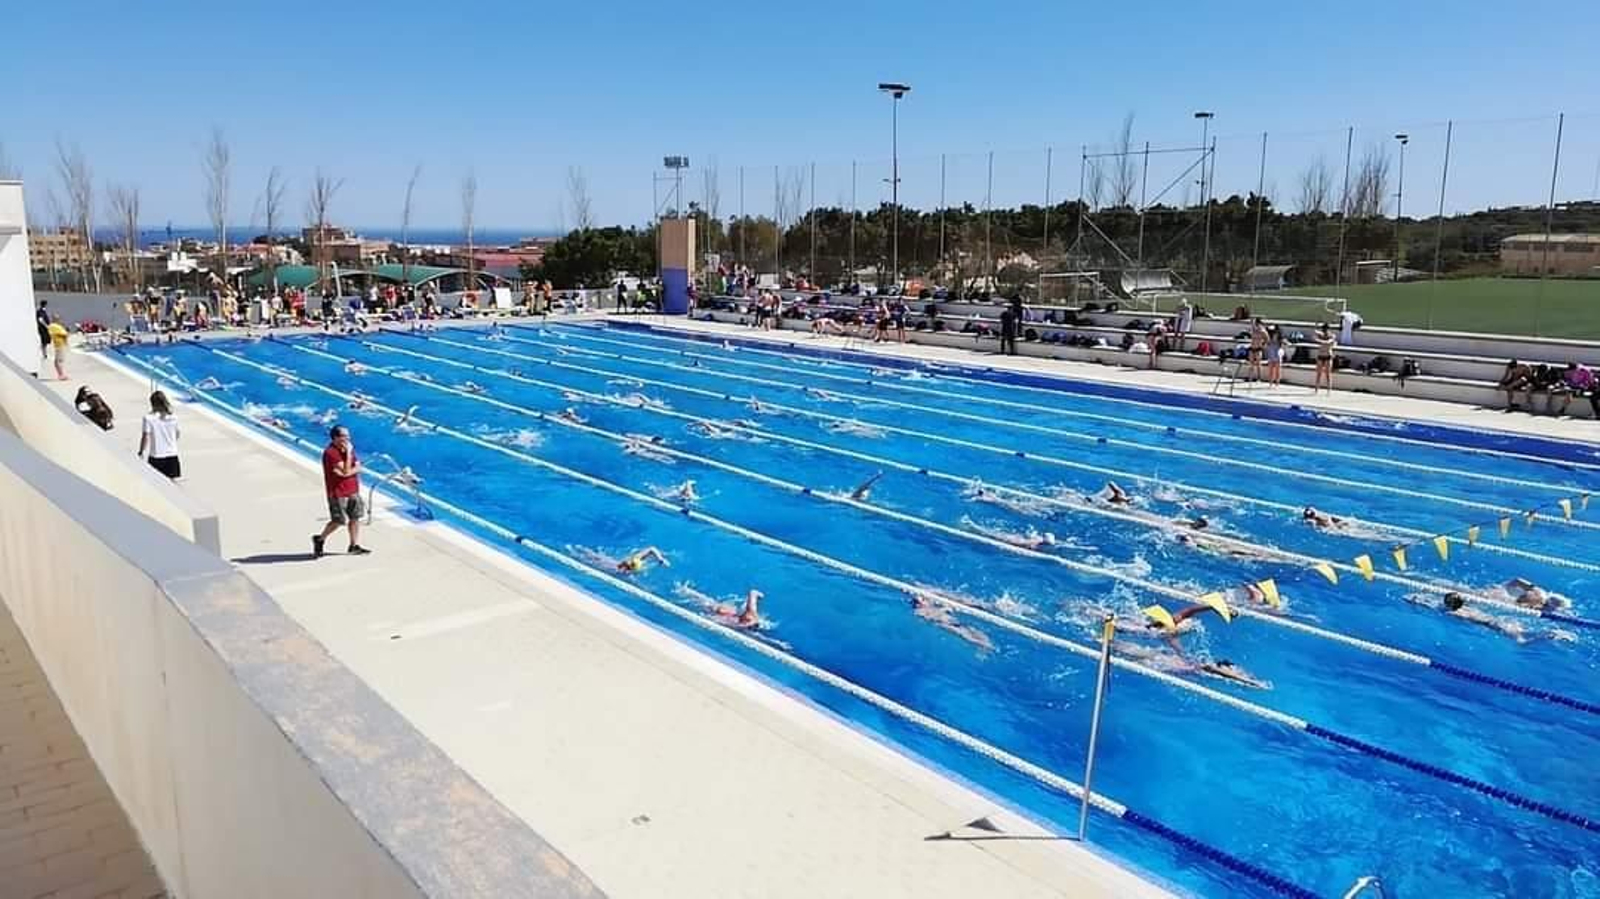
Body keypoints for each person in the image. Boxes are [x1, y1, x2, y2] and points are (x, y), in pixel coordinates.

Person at [314, 425, 371, 557]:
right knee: (338, 521)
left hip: (352, 489)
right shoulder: (331, 453)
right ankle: (320, 538)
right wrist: (349, 456)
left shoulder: (346, 449)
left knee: (355, 518)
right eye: (345, 436)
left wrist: (350, 467)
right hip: (338, 493)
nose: (348, 438)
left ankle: (353, 545)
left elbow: (358, 467)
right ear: (336, 438)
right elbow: (345, 472)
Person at [909, 592, 994, 652]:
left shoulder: (925, 608)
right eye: (923, 600)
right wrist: (945, 609)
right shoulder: (921, 612)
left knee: (967, 629)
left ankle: (985, 645)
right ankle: (983, 645)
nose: (926, 600)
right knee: (964, 632)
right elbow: (935, 617)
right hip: (946, 623)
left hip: (948, 620)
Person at [137, 390, 181, 479]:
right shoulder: (174, 418)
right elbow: (177, 434)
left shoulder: (148, 418)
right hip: (172, 456)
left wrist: (141, 451)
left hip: (156, 456)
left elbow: (145, 437)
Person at [1313, 323, 1336, 394]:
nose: (1325, 331)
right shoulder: (1321, 335)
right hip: (1320, 355)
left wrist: (1318, 340)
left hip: (1328, 356)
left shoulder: (1332, 336)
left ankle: (1329, 390)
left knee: (1328, 374)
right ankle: (1316, 389)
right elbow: (1315, 332)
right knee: (1318, 373)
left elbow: (1328, 342)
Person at [46, 315, 70, 380]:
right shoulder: (54, 326)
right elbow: (64, 333)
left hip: (59, 344)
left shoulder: (56, 326)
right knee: (59, 360)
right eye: (58, 318)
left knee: (58, 360)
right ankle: (61, 375)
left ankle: (60, 374)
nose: (59, 320)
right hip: (60, 344)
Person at [1247, 318, 1268, 382]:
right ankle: (1250, 377)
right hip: (1252, 347)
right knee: (1251, 364)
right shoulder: (1253, 330)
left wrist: (1263, 345)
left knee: (1258, 364)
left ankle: (1259, 378)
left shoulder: (1262, 331)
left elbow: (1267, 339)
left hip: (1258, 348)